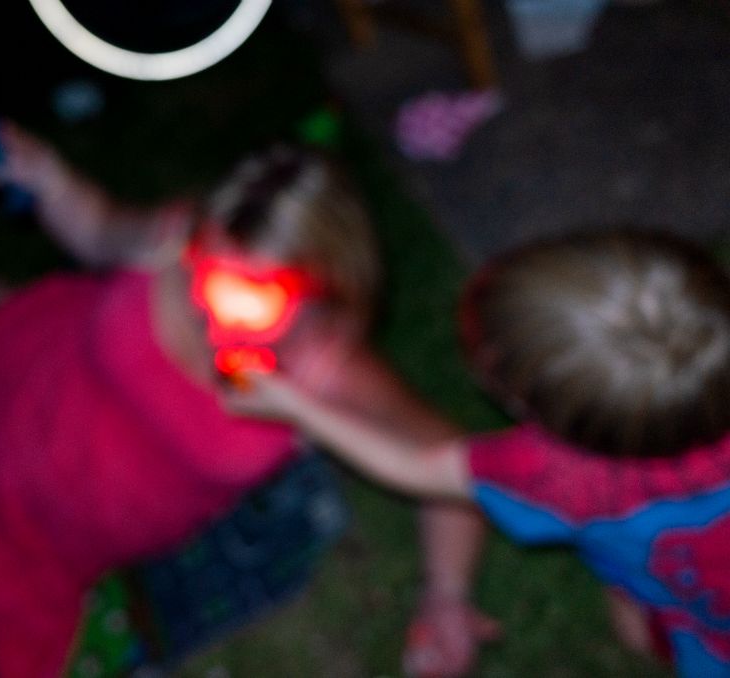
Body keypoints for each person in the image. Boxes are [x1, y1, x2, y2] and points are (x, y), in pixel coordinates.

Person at [0, 122, 493, 677]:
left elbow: (452, 472)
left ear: (326, 296)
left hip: (49, 522)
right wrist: (41, 171)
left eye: (251, 298)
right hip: (28, 369)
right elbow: (101, 228)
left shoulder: (328, 370)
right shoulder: (181, 238)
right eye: (209, 274)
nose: (213, 311)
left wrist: (446, 596)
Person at [226, 230, 730, 677]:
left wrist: (294, 404)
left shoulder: (555, 477)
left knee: (636, 625)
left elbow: (416, 467)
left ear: (521, 401)